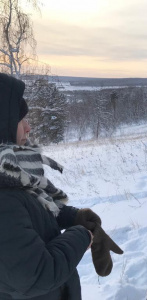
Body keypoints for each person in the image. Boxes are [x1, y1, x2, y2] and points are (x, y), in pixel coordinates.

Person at [0, 73, 123, 299]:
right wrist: (83, 235)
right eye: (20, 120)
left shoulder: (10, 176)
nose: (28, 128)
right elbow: (37, 274)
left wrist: (73, 216)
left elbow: (28, 214)